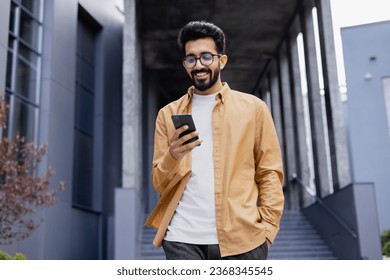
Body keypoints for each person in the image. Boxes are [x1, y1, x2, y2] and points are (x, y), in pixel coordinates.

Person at [145, 20, 284, 260]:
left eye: (206, 57)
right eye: (191, 59)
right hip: (181, 240)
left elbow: (269, 173)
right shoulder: (167, 114)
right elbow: (159, 183)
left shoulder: (254, 109)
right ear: (185, 64)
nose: (198, 65)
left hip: (243, 242)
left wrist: (268, 231)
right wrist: (173, 155)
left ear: (222, 60)